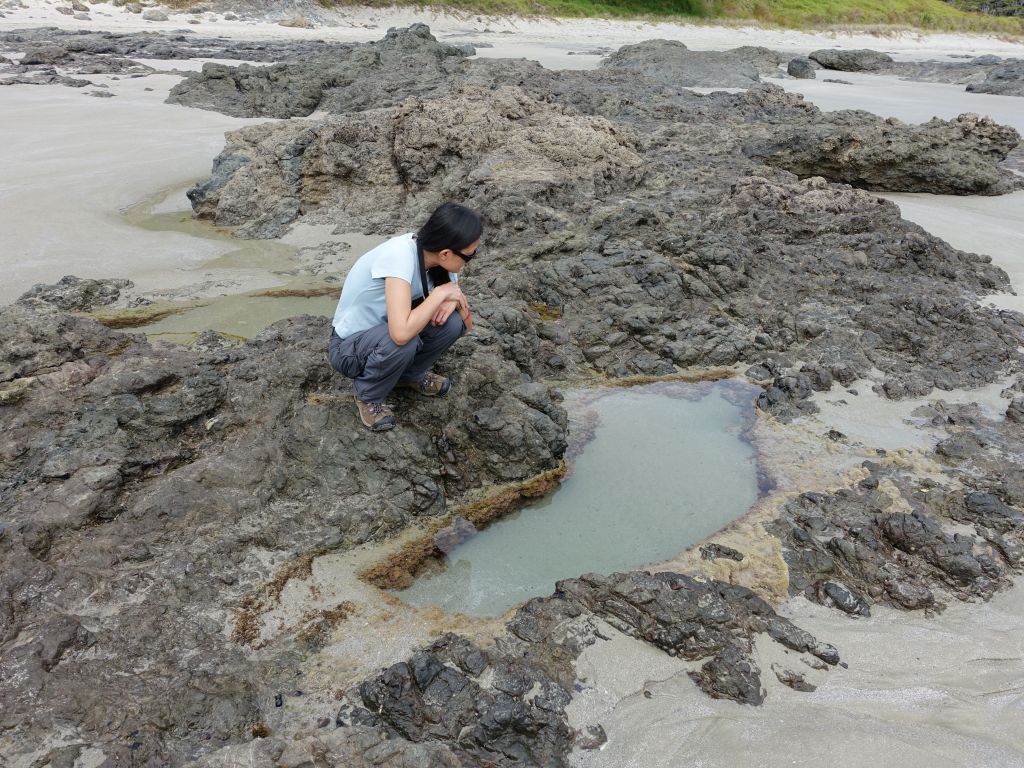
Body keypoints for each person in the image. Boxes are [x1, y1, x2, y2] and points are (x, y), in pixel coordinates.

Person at [328, 202, 480, 432]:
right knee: (404, 339)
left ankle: (409, 375)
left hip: (383, 338)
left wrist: (453, 301)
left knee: (452, 322)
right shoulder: (399, 257)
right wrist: (440, 294)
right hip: (348, 350)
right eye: (470, 256)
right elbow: (399, 334)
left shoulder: (438, 263)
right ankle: (368, 396)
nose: (471, 259)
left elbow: (467, 325)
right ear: (446, 253)